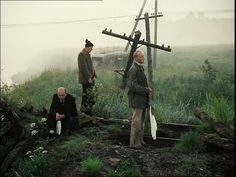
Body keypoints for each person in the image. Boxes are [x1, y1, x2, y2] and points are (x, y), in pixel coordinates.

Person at [127, 50, 152, 148]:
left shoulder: (139, 68)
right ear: (136, 58)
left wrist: (147, 91)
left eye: (143, 56)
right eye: (141, 57)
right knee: (136, 121)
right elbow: (133, 86)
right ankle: (134, 143)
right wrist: (146, 89)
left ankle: (140, 140)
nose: (143, 58)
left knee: (141, 121)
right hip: (137, 99)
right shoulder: (133, 69)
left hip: (141, 99)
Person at [78, 39, 97, 116]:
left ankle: (88, 110)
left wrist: (94, 75)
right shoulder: (81, 55)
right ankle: (84, 111)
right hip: (86, 79)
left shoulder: (87, 54)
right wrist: (89, 77)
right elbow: (83, 68)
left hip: (90, 78)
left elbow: (91, 66)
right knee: (86, 95)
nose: (91, 50)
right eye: (91, 48)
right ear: (87, 47)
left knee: (91, 95)